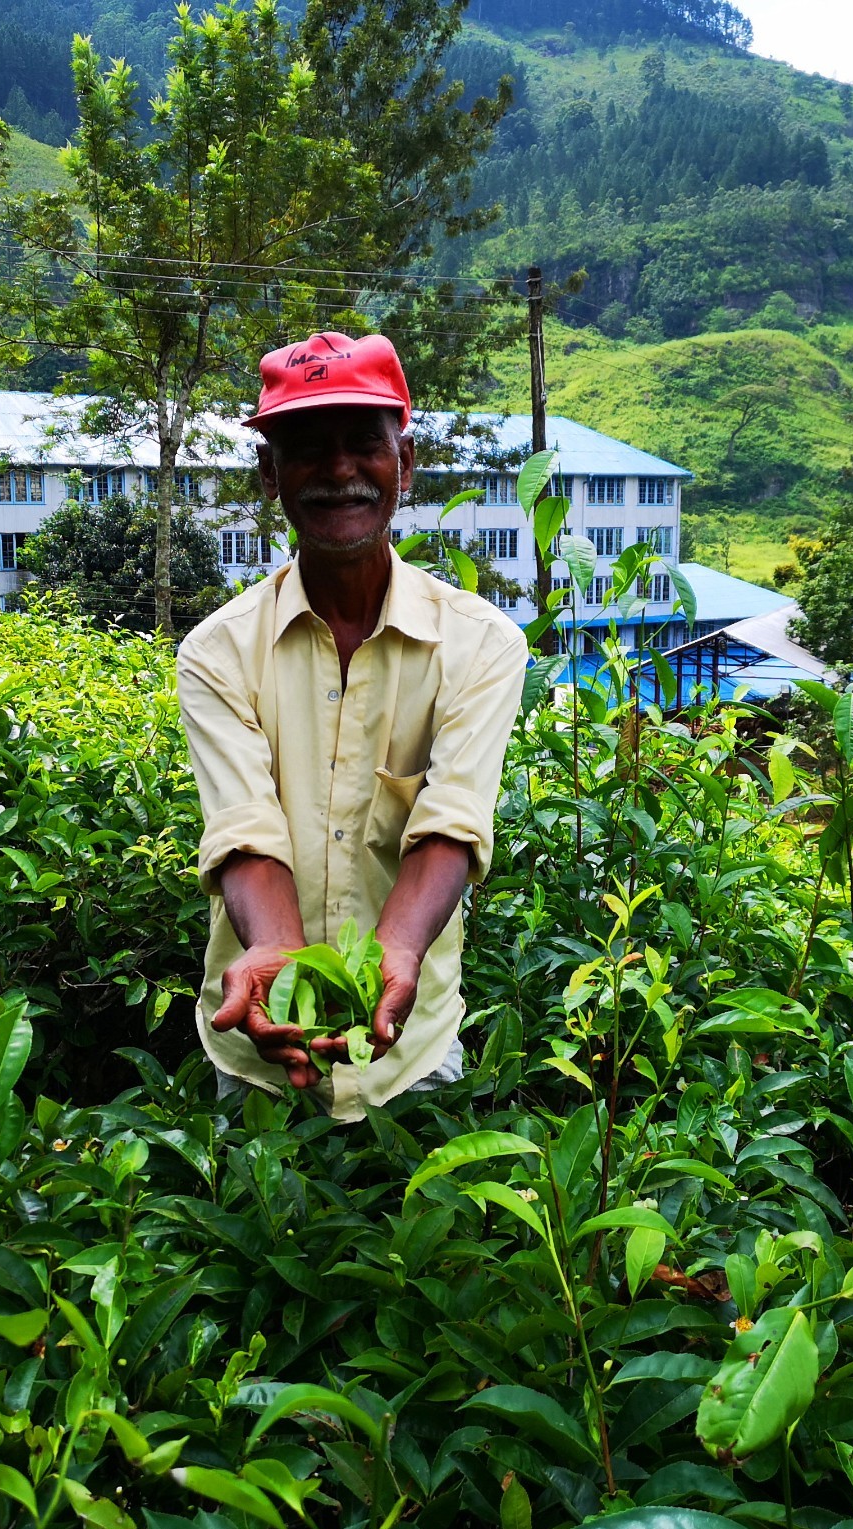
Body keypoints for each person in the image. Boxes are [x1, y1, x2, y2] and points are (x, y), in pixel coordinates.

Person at [176, 332, 527, 1121]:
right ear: (271, 474)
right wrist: (273, 957)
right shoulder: (217, 652)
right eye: (306, 448)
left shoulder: (481, 643)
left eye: (363, 443)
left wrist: (399, 952)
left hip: (414, 1053)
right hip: (255, 1050)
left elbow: (451, 819)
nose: (339, 471)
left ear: (404, 463)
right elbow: (244, 830)